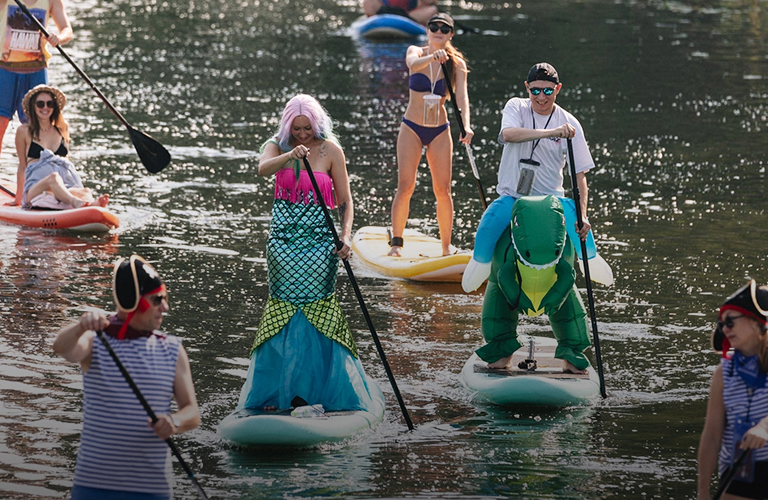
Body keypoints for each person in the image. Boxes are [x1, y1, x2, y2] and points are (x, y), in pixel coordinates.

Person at [234, 93, 377, 413]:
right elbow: (262, 169)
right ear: (288, 126)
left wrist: (345, 237)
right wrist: (290, 156)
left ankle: (324, 390)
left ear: (317, 124)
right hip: (282, 244)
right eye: (296, 128)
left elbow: (345, 202)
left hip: (320, 245)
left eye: (307, 128)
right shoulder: (277, 145)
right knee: (283, 308)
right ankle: (275, 393)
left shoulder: (331, 150)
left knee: (318, 308)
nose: (301, 134)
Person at [53, 255, 201, 500]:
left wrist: (174, 422)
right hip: (93, 486)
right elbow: (62, 348)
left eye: (165, 298)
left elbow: (192, 413)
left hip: (152, 490)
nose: (165, 307)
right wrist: (80, 326)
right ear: (135, 303)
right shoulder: (96, 340)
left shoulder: (172, 349)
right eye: (157, 300)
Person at [462, 62, 598, 293]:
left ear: (558, 89)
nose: (541, 97)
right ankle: (479, 265)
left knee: (580, 225)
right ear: (527, 87)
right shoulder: (516, 107)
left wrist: (583, 216)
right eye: (535, 90)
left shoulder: (570, 122)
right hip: (513, 197)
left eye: (547, 90)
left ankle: (591, 263)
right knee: (488, 225)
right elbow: (509, 135)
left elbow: (579, 175)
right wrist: (553, 133)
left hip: (551, 202)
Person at [388, 13, 472, 257]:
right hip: (412, 128)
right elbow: (413, 65)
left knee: (443, 190)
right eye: (434, 27)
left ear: (450, 35)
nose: (438, 31)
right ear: (427, 31)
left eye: (444, 29)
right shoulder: (416, 51)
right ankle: (396, 244)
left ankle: (446, 247)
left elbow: (461, 98)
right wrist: (431, 57)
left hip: (439, 130)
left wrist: (466, 125)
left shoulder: (457, 64)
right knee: (406, 186)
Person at [697, 280, 768, 500]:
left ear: (757, 322)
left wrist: (764, 427)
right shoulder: (723, 372)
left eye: (730, 321)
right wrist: (703, 493)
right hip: (737, 472)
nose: (725, 329)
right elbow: (711, 436)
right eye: (721, 324)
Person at [10, 84, 108, 209]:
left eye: (49, 104)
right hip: (36, 188)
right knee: (53, 178)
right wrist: (18, 200)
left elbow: (66, 160)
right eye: (40, 104)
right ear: (33, 106)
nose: (45, 108)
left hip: (64, 184)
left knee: (85, 191)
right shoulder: (24, 131)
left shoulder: (62, 128)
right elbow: (22, 167)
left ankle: (90, 206)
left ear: (54, 106)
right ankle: (74, 202)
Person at [0, 0, 73, 157]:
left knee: (38, 125)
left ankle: (35, 173)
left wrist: (58, 38)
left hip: (36, 70)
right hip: (5, 68)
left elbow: (67, 30)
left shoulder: (51, 1)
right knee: (1, 122)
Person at [362, 0, 438, 26]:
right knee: (368, 2)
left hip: (409, 15)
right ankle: (373, 22)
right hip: (383, 12)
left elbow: (431, 2)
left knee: (432, 10)